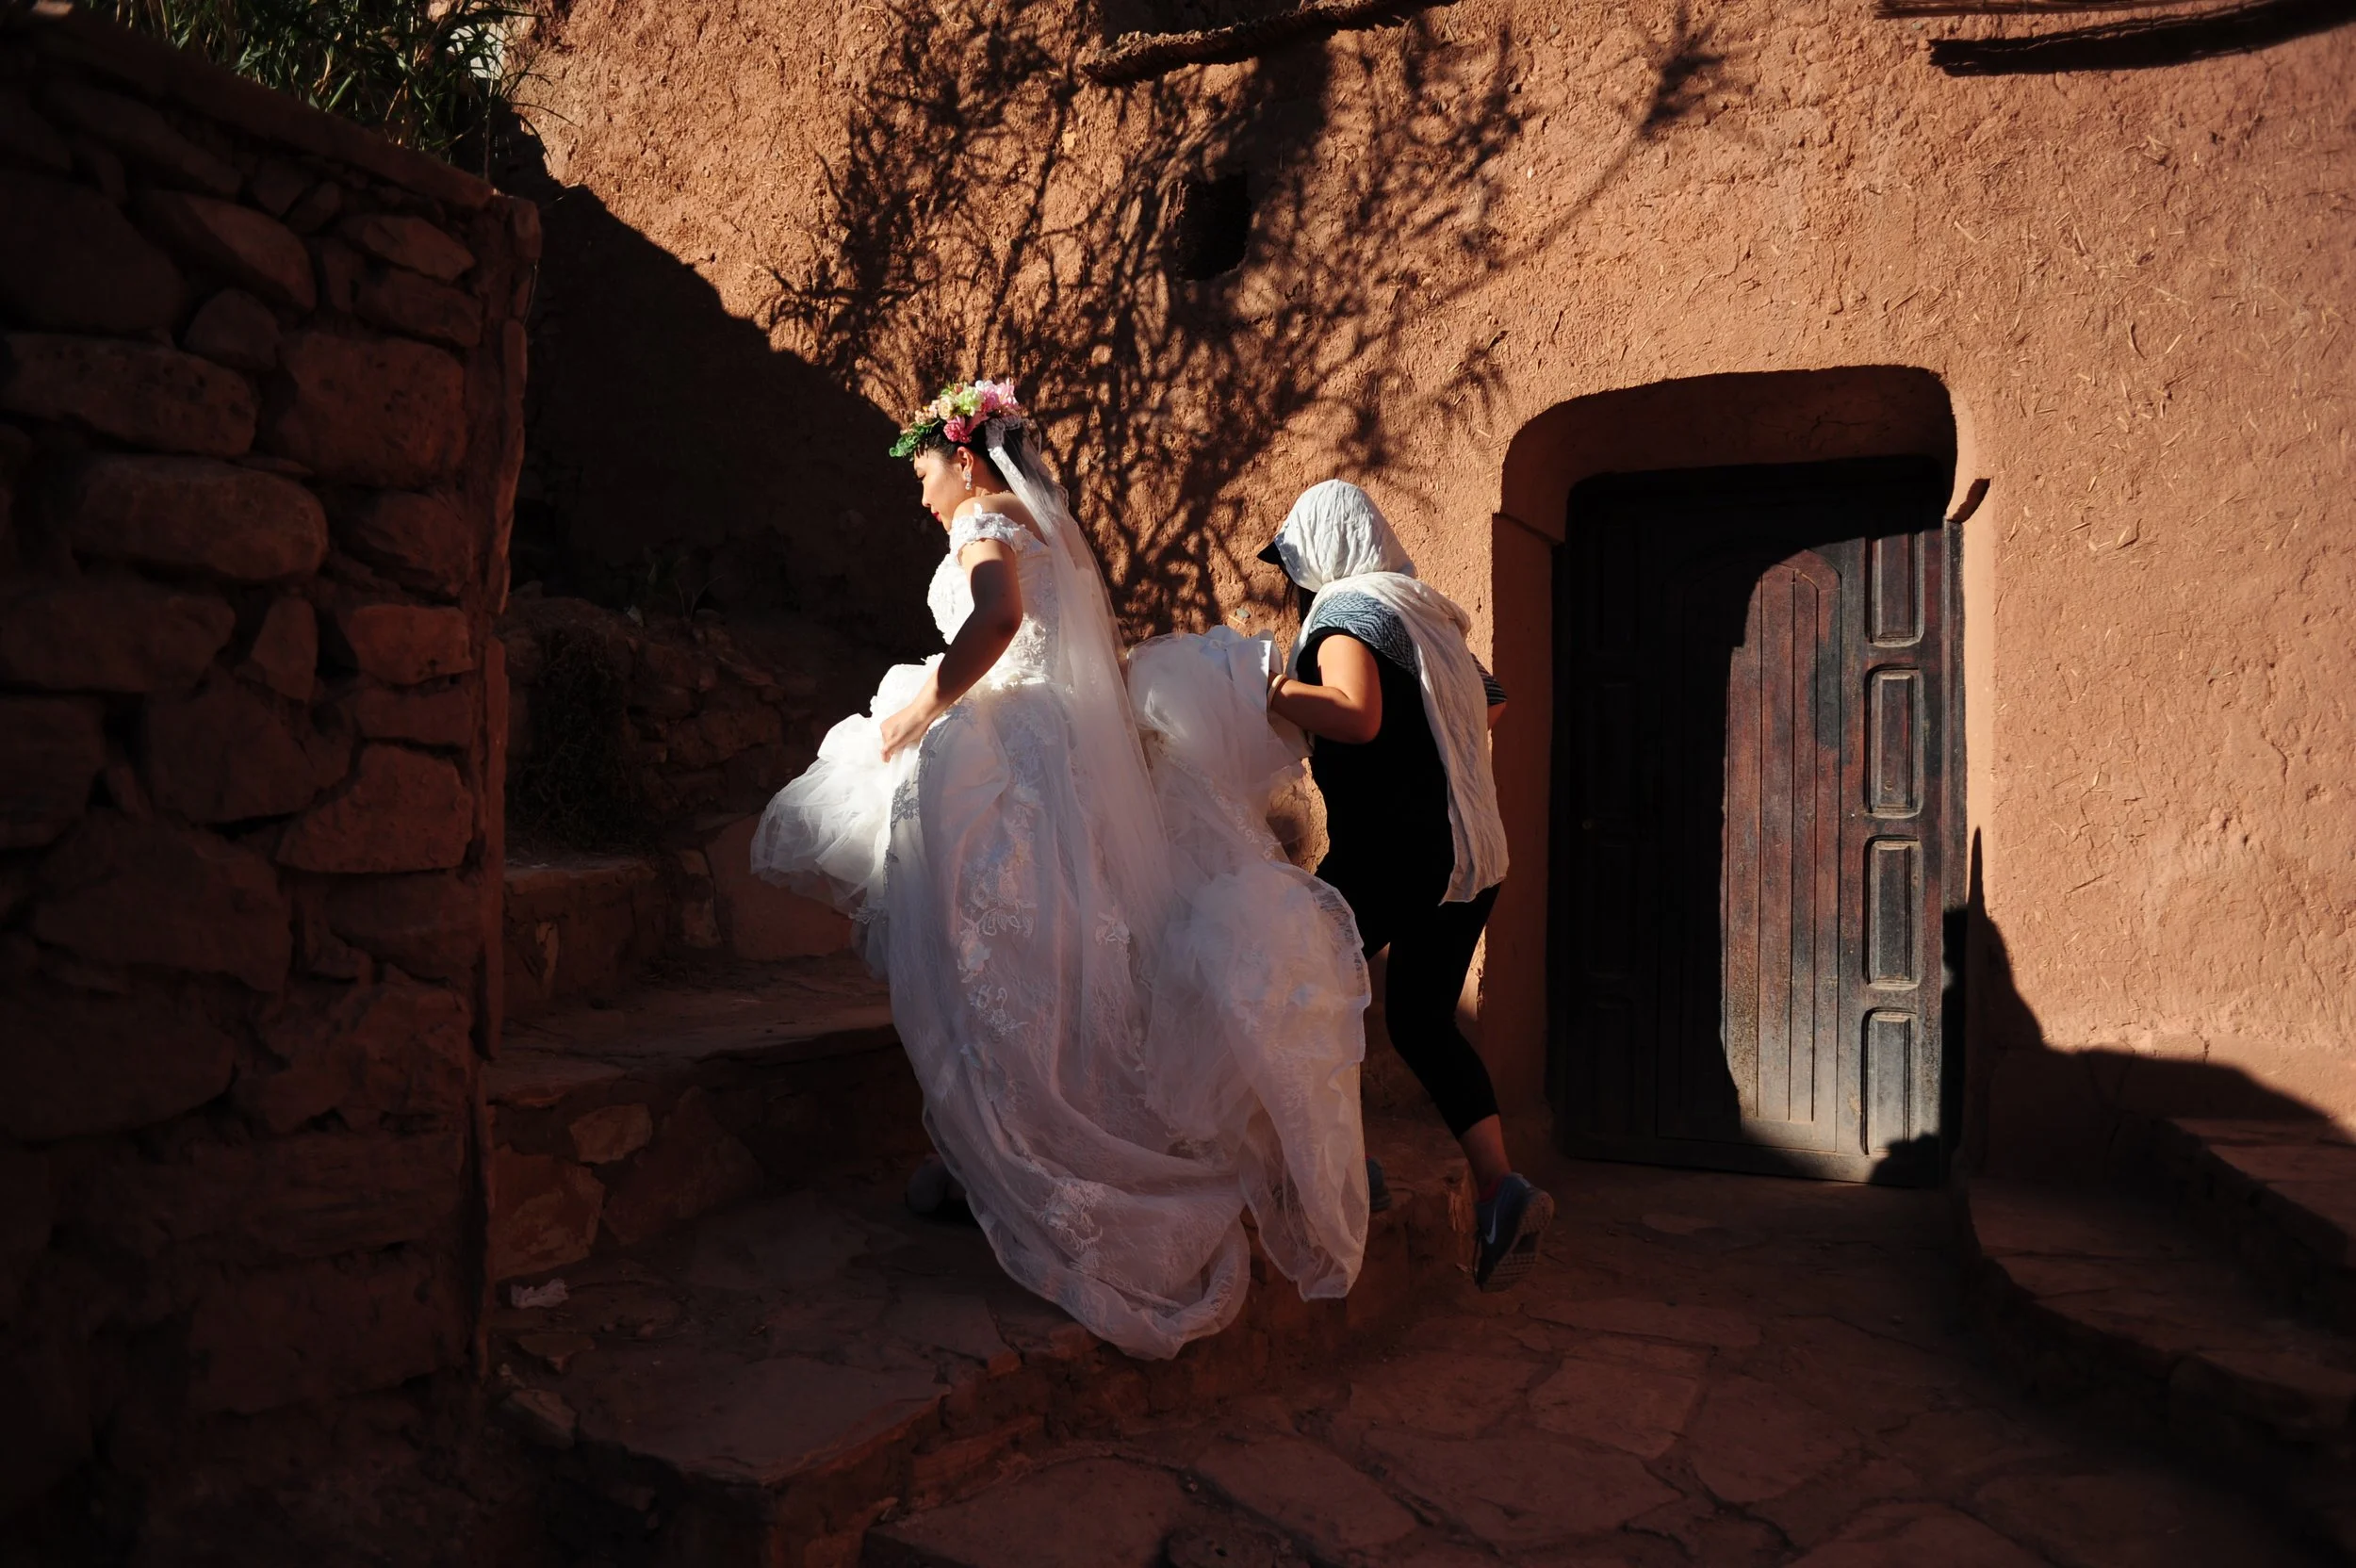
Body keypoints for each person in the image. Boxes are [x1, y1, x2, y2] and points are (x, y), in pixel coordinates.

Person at [750, 382, 1367, 1358]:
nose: (920, 495)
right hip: (1057, 758)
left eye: (923, 471)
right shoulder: (1054, 530)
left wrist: (920, 712)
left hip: (1001, 754)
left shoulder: (988, 519)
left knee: (983, 968)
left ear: (967, 458)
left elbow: (994, 623)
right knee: (1054, 969)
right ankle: (985, 1156)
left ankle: (1015, 1163)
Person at [1261, 479, 1554, 1292]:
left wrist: (1268, 689)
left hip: (1394, 853)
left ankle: (1345, 1172)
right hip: (1470, 856)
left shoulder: (1350, 608)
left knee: (1299, 988)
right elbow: (1492, 704)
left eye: (1294, 563)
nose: (1296, 582)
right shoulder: (1426, 611)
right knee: (1422, 1021)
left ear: (1320, 549)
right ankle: (1500, 1189)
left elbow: (1356, 715)